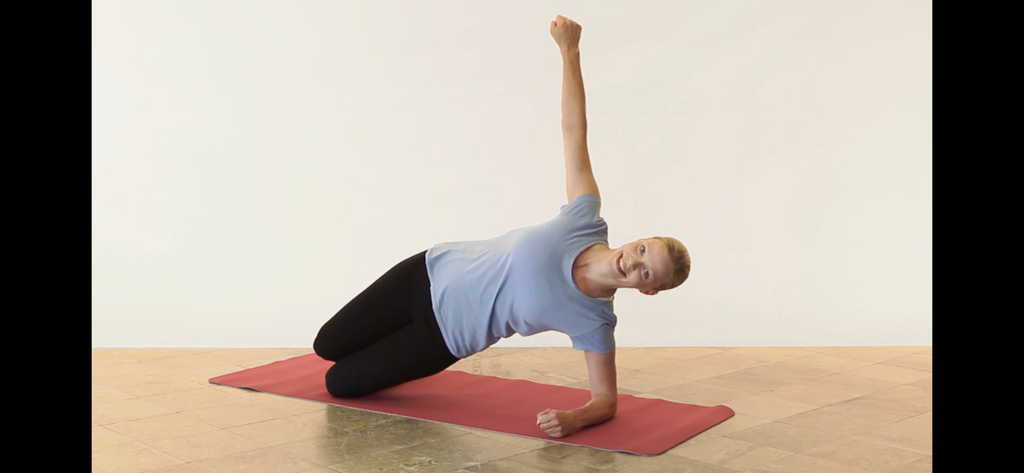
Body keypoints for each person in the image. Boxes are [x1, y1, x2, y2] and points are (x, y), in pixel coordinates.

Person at [313, 15, 691, 439]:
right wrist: (569, 51)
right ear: (638, 240)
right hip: (426, 274)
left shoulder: (594, 319)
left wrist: (575, 418)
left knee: (339, 382)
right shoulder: (584, 219)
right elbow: (574, 132)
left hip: (441, 339)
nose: (633, 262)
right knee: (327, 344)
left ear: (647, 290)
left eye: (646, 272)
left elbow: (606, 400)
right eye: (643, 250)